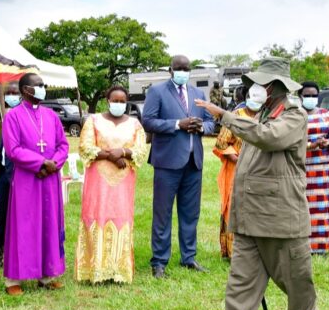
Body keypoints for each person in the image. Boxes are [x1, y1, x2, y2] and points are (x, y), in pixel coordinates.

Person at [197, 57, 320, 310]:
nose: (254, 87)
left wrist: (225, 116)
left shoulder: (293, 116)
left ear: (275, 87)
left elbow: (268, 138)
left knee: (295, 276)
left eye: (260, 83)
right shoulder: (261, 114)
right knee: (242, 277)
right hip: (250, 214)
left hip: (280, 215)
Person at [142, 54, 215, 277]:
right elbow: (148, 121)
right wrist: (177, 124)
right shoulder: (157, 92)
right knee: (162, 214)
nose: (183, 71)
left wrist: (201, 127)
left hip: (194, 162)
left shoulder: (198, 93)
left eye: (186, 68)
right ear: (171, 70)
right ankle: (159, 261)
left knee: (190, 213)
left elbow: (212, 122)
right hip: (167, 162)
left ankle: (188, 257)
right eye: (179, 68)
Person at [3, 73, 69, 296]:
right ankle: (13, 279)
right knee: (24, 224)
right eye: (38, 85)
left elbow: (63, 144)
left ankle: (47, 275)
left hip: (50, 179)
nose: (43, 88)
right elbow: (13, 149)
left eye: (44, 85)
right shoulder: (12, 117)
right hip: (27, 179)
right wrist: (41, 162)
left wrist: (54, 164)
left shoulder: (51, 115)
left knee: (49, 222)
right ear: (25, 90)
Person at [74, 85, 147, 284]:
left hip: (123, 181)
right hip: (98, 181)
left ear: (127, 102)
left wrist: (123, 153)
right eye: (115, 100)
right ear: (107, 100)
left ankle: (119, 270)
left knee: (121, 216)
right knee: (96, 214)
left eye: (122, 101)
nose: (118, 104)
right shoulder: (94, 120)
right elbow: (85, 147)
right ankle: (94, 269)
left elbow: (141, 151)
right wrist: (111, 156)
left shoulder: (134, 124)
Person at [212, 96, 260, 260]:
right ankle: (233, 253)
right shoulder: (235, 116)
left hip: (260, 171)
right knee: (234, 207)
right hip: (236, 170)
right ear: (247, 98)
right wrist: (239, 160)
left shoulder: (266, 116)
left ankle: (255, 252)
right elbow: (221, 143)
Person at [299, 81, 329, 255]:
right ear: (300, 96)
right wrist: (311, 145)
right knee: (304, 208)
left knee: (323, 208)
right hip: (302, 168)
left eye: (313, 95)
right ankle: (303, 245)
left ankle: (322, 246)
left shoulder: (325, 114)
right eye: (307, 95)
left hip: (323, 171)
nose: (310, 98)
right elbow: (292, 141)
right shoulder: (295, 115)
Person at [0, 82, 21, 264]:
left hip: (22, 173)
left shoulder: (27, 117)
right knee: (1, 214)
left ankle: (17, 251)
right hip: (4, 174)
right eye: (7, 93)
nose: (10, 96)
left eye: (13, 93)